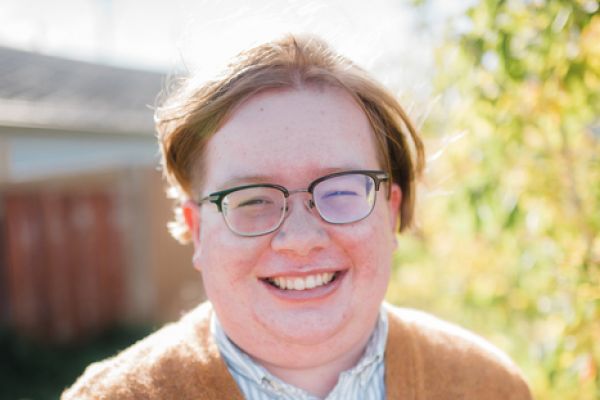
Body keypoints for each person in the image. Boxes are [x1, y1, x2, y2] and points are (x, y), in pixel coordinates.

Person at [62, 34, 532, 399]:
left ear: (390, 213)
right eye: (252, 199)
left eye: (342, 191)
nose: (300, 238)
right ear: (197, 228)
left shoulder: (488, 386)